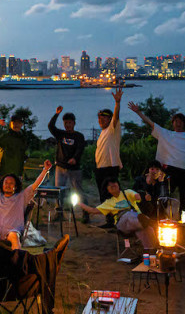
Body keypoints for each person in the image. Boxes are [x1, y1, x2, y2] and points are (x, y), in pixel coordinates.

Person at [0, 157, 53, 249]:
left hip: (12, 231)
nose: (8, 185)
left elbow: (35, 185)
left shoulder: (22, 197)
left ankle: (17, 259)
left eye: (11, 183)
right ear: (2, 184)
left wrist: (45, 170)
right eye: (6, 182)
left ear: (16, 186)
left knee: (14, 236)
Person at [78, 179, 154, 248]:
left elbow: (137, 196)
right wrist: (79, 203)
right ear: (107, 189)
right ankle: (148, 221)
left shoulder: (126, 193)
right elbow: (92, 210)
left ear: (118, 184)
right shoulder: (109, 202)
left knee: (148, 229)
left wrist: (142, 197)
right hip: (122, 224)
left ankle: (150, 251)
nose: (112, 185)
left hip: (136, 221)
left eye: (114, 182)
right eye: (109, 185)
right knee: (128, 215)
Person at [48, 106, 87, 220]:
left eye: (69, 123)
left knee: (78, 191)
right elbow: (50, 126)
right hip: (60, 167)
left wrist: (75, 158)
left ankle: (85, 212)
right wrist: (56, 114)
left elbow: (80, 149)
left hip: (74, 169)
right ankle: (59, 212)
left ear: (74, 123)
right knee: (59, 191)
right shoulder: (60, 134)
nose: (67, 125)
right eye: (65, 123)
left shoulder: (79, 136)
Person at [94, 86, 125, 225]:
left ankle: (116, 219)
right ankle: (109, 219)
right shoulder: (103, 132)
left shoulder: (113, 128)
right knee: (103, 195)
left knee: (112, 194)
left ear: (109, 119)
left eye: (104, 118)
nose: (101, 120)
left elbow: (116, 116)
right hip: (101, 167)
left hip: (110, 167)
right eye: (100, 118)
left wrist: (117, 103)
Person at [0, 112, 29, 178]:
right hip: (5, 171)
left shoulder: (23, 138)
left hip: (17, 171)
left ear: (22, 124)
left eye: (19, 123)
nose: (16, 125)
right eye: (14, 123)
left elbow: (23, 153)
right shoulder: (5, 136)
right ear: (10, 124)